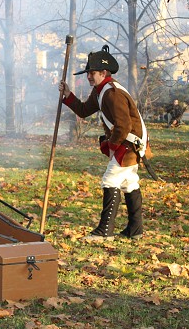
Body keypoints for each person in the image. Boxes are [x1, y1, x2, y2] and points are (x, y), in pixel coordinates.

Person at [59, 45, 150, 242]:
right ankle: (135, 229)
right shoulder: (100, 91)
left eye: (92, 73)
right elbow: (83, 110)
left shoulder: (112, 93)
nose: (89, 77)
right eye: (88, 73)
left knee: (110, 180)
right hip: (126, 144)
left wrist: (112, 146)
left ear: (104, 72)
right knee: (129, 183)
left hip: (127, 145)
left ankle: (105, 231)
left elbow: (123, 124)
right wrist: (68, 94)